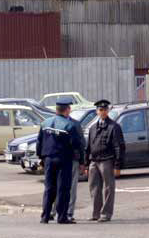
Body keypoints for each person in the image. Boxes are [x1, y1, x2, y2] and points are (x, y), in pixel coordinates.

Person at [36, 96, 84, 224]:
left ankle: (45, 216)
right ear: (67, 110)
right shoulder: (70, 125)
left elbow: (39, 142)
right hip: (64, 160)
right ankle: (62, 216)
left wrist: (41, 158)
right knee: (63, 189)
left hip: (48, 159)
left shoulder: (45, 123)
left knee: (49, 188)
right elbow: (77, 145)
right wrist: (82, 161)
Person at [85, 99, 125, 223]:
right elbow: (88, 147)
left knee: (108, 188)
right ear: (97, 112)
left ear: (108, 111)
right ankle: (96, 213)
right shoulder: (92, 127)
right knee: (94, 188)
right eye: (100, 110)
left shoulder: (114, 127)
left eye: (105, 110)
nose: (102, 112)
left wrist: (117, 166)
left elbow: (119, 147)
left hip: (107, 161)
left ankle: (106, 214)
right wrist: (86, 164)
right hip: (94, 161)